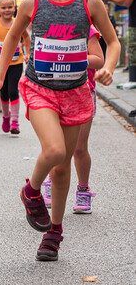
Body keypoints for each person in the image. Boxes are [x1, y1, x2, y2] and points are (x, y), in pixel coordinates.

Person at [0, 0, 119, 262]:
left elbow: (112, 42)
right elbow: (14, 38)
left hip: (75, 92)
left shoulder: (90, 2)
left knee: (62, 170)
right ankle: (31, 191)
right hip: (40, 89)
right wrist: (0, 76)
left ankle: (54, 233)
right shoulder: (34, 1)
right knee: (56, 151)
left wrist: (107, 67)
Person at [42, 21, 103, 213]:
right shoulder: (48, 25)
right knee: (54, 146)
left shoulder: (87, 28)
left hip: (82, 92)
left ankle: (83, 190)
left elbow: (98, 60)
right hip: (53, 92)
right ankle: (50, 183)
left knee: (78, 148)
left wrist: (73, 56)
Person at [0, 0, 29, 135]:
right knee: (3, 92)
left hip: (16, 62)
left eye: (10, 7)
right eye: (4, 8)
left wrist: (27, 53)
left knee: (13, 90)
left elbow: (26, 38)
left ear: (15, 7)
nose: (7, 10)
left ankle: (15, 121)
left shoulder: (18, 22)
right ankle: (6, 117)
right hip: (0, 63)